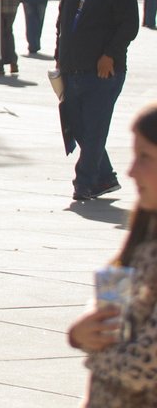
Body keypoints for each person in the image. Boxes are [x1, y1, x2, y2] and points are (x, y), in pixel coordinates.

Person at [67, 102, 157, 407]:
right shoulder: (147, 227)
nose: (130, 171)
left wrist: (96, 351)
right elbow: (113, 296)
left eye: (145, 157)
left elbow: (144, 365)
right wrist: (83, 331)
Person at [56, 0, 140, 201]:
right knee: (77, 126)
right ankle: (105, 178)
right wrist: (61, 60)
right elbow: (62, 25)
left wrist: (110, 55)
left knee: (94, 128)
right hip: (72, 70)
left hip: (103, 73)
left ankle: (84, 182)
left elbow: (128, 28)